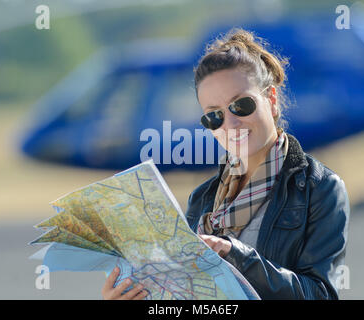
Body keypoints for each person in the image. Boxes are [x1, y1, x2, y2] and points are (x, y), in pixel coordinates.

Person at [102, 28, 350, 300]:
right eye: (214, 116)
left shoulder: (319, 188)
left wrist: (234, 255)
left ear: (271, 99)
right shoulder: (202, 199)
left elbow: (319, 295)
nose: (231, 123)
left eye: (242, 105)